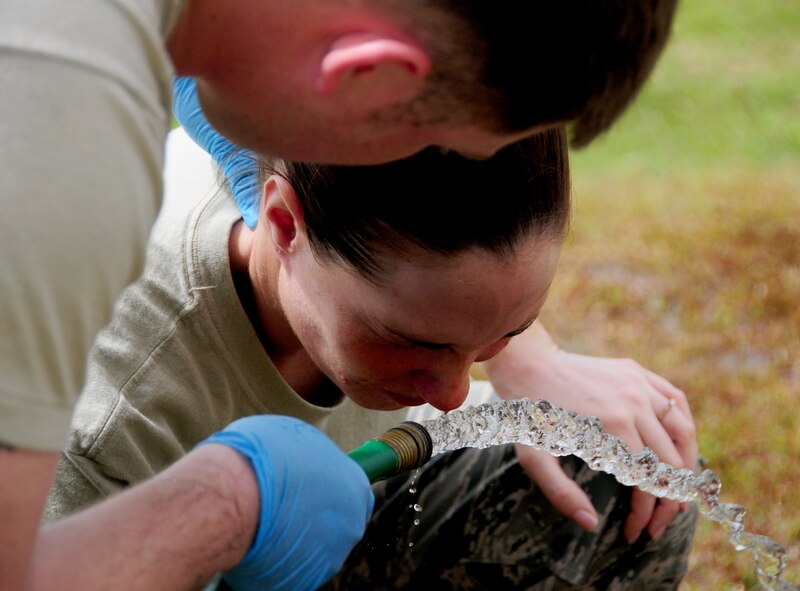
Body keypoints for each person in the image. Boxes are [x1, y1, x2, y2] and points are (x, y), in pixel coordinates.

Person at [1, 0, 681, 588]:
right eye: (440, 143)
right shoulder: (70, 181)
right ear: (371, 75)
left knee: (611, 473)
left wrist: (521, 349)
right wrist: (231, 503)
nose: (429, 176)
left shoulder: (193, 59)